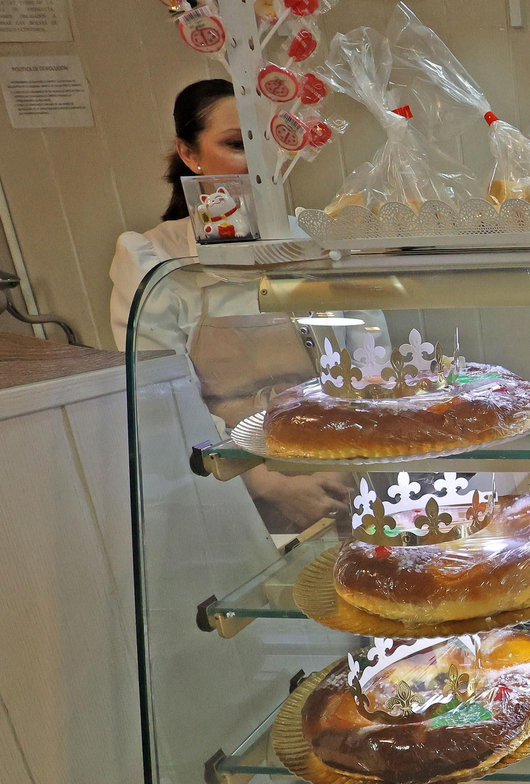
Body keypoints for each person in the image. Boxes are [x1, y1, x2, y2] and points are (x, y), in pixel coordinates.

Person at [112, 80, 359, 532]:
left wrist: (348, 462)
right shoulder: (154, 260)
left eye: (270, 142)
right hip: (223, 489)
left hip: (336, 471)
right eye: (237, 145)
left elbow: (360, 368)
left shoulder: (312, 243)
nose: (259, 162)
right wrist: (264, 482)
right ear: (189, 154)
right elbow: (162, 403)